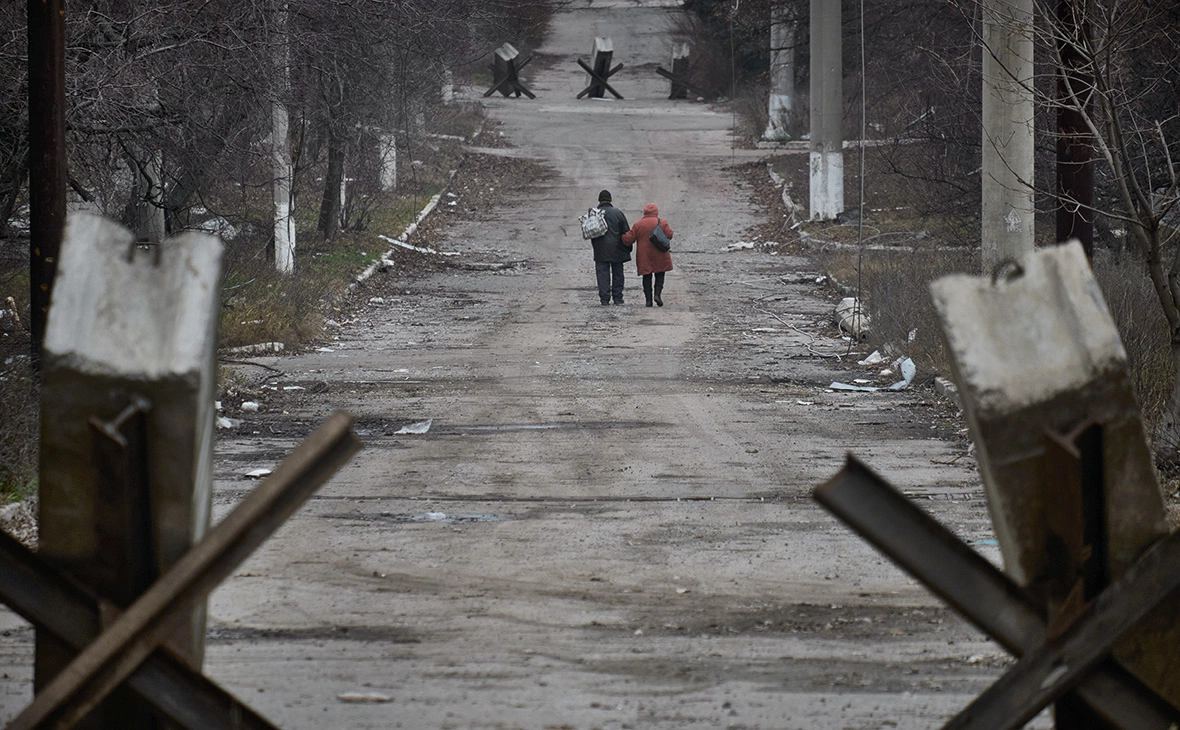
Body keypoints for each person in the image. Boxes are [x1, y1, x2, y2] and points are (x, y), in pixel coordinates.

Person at [622, 203, 673, 307]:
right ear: (656, 212)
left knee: (646, 276)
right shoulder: (662, 222)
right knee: (660, 274)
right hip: (660, 253)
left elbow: (628, 239)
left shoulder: (638, 224)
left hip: (644, 255)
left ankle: (648, 300)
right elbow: (670, 234)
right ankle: (657, 295)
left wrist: (621, 236)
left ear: (644, 212)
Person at [589, 190, 631, 305]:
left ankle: (604, 299)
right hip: (617, 248)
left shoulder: (594, 214)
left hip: (600, 249)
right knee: (618, 273)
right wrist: (628, 248)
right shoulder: (617, 213)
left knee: (602, 274)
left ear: (599, 200)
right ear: (610, 200)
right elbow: (626, 232)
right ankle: (617, 298)